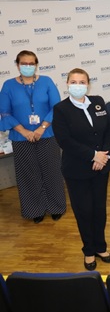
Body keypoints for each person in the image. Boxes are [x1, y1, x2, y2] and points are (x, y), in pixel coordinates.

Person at [52, 68, 110, 271]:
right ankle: (89, 250)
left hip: (101, 166)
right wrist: (92, 155)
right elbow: (65, 141)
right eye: (74, 81)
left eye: (82, 82)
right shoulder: (61, 109)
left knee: (99, 209)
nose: (78, 85)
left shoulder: (98, 101)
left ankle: (101, 247)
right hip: (77, 169)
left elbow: (109, 130)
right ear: (67, 84)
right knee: (84, 210)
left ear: (88, 84)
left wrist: (102, 155)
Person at [0, 50, 66, 224]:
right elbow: (5, 112)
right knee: (29, 174)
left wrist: (41, 128)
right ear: (17, 65)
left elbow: (56, 108)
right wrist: (24, 131)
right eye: (24, 63)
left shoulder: (46, 82)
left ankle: (56, 207)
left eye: (31, 63)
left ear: (36, 65)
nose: (28, 67)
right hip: (21, 138)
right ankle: (35, 209)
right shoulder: (8, 85)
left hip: (47, 134)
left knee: (52, 172)